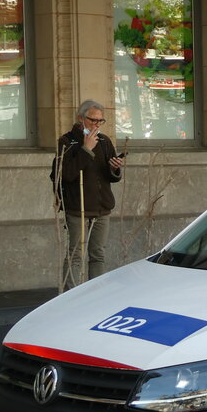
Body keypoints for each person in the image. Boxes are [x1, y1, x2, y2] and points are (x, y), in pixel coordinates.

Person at [54, 100, 123, 286]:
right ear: (81, 118)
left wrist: (115, 168)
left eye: (100, 121)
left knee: (98, 254)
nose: (97, 125)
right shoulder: (67, 141)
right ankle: (71, 295)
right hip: (79, 208)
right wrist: (86, 150)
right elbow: (65, 175)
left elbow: (111, 177)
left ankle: (96, 293)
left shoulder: (105, 141)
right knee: (76, 254)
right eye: (93, 120)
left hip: (102, 207)